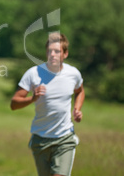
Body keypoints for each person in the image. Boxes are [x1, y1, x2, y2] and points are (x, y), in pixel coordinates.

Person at [10, 32, 85, 176]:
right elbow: (14, 104)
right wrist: (32, 99)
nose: (52, 54)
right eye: (49, 51)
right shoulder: (33, 74)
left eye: (57, 51)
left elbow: (80, 91)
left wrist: (77, 108)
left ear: (65, 54)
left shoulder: (73, 74)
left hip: (64, 138)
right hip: (40, 138)